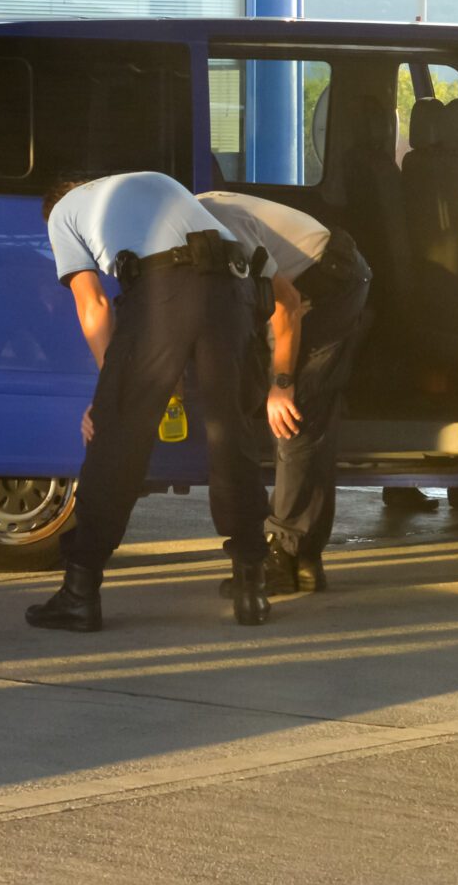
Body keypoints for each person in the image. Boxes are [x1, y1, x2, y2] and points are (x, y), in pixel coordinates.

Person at [27, 172, 274, 633]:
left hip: (166, 287)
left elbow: (94, 304)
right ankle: (252, 587)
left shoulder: (62, 214)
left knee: (116, 438)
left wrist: (111, 392)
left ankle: (79, 594)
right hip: (234, 285)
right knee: (231, 433)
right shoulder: (154, 181)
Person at [199, 190, 371, 593]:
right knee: (302, 415)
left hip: (328, 281)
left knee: (294, 415)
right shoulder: (191, 219)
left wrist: (282, 383)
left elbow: (286, 304)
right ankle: (305, 558)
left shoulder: (218, 231)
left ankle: (286, 554)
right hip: (310, 275)